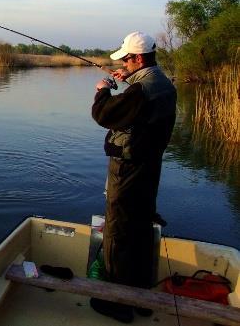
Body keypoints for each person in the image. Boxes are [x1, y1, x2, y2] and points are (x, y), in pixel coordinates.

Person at [91, 31, 177, 323]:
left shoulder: (140, 90)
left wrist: (103, 89)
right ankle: (140, 293)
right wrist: (128, 81)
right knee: (140, 226)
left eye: (126, 60)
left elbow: (104, 114)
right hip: (149, 167)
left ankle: (117, 302)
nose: (123, 64)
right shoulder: (162, 82)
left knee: (118, 230)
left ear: (138, 57)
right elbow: (141, 106)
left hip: (128, 170)